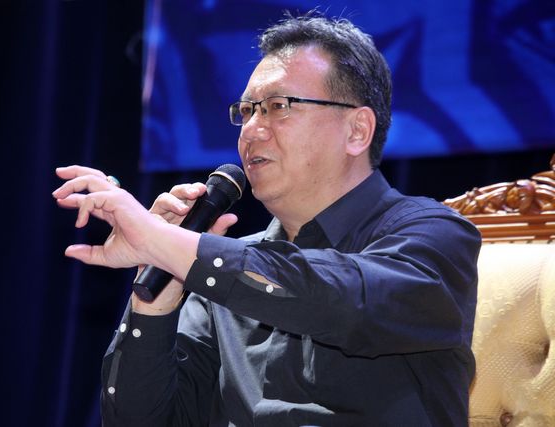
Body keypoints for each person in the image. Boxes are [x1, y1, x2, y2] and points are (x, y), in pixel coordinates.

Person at [53, 12, 481, 426]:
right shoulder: (224, 267)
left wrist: (171, 244)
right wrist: (156, 286)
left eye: (278, 106)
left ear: (357, 131)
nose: (251, 130)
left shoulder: (435, 234)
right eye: (247, 110)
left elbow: (345, 301)